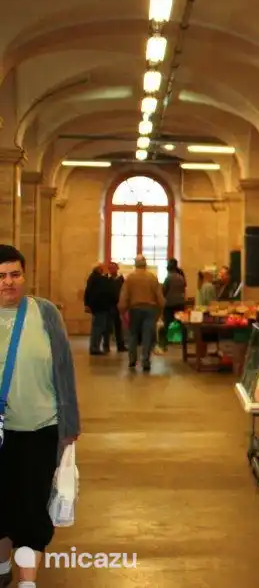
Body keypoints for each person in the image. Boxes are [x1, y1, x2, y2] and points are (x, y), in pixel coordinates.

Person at [0, 244, 80, 588]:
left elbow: (64, 368)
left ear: (25, 275)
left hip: (41, 428)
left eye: (15, 274)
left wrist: (70, 423)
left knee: (33, 506)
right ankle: (3, 565)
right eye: (1, 276)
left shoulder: (45, 313)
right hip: (2, 431)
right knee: (2, 505)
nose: (8, 282)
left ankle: (27, 581)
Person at [118, 255, 165, 372]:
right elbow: (159, 296)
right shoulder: (152, 277)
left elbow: (124, 295)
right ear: (145, 264)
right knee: (147, 336)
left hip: (135, 309)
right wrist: (161, 309)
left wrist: (122, 309)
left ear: (135, 264)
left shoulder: (130, 278)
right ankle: (145, 361)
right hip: (150, 310)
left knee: (133, 335)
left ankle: (132, 360)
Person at [84, 262, 115, 355]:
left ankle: (95, 347)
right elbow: (105, 291)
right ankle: (94, 348)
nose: (103, 269)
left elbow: (87, 292)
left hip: (97, 307)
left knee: (97, 327)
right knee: (98, 328)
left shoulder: (93, 278)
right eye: (102, 268)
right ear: (98, 269)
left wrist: (87, 304)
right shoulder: (98, 279)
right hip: (100, 307)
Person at [160, 258, 187, 350]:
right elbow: (184, 289)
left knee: (168, 322)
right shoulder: (181, 277)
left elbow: (164, 291)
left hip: (170, 303)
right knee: (179, 322)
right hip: (180, 303)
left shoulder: (168, 278)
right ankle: (178, 339)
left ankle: (169, 340)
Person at [107, 263, 126, 353]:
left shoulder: (121, 280)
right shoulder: (107, 279)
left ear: (117, 268)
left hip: (118, 305)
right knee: (107, 327)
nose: (112, 270)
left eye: (113, 268)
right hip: (109, 305)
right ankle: (106, 346)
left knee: (118, 326)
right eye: (110, 268)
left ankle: (120, 345)